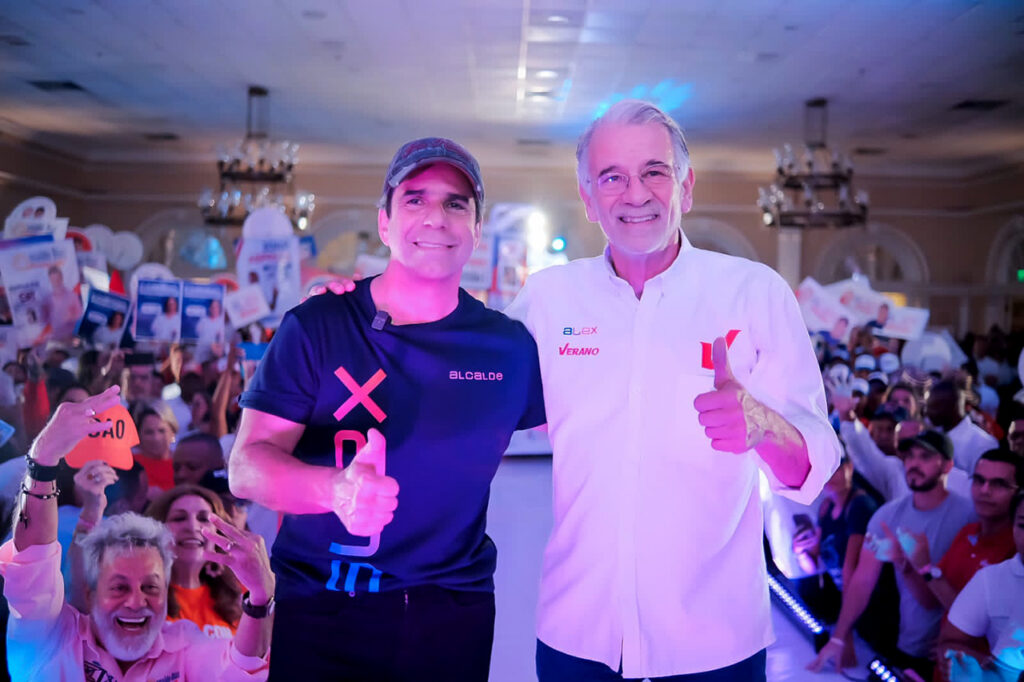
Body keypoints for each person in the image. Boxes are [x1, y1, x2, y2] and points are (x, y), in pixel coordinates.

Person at [505, 100, 840, 681]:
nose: (635, 194)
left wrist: (763, 425)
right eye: (612, 177)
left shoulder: (753, 293)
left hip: (715, 643)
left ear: (686, 186)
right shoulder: (548, 299)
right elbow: (469, 389)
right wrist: (364, 312)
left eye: (654, 172)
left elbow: (816, 462)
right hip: (576, 634)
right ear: (588, 198)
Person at [230, 137, 546, 681]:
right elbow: (246, 466)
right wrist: (335, 490)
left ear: (476, 229)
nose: (436, 217)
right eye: (415, 199)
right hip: (324, 607)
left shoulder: (509, 348)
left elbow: (594, 421)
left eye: (456, 203)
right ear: (384, 223)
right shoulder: (319, 325)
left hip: (451, 613)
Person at [0, 385, 273, 680]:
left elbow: (240, 672)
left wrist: (261, 599)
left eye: (150, 588)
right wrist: (43, 460)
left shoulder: (185, 647)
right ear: (90, 595)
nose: (135, 602)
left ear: (166, 593)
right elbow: (32, 566)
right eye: (119, 587)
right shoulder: (52, 640)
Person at [809, 430, 976, 679]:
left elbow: (979, 590)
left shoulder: (970, 516)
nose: (913, 464)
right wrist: (839, 637)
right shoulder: (888, 516)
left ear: (947, 466)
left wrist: (960, 638)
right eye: (909, 457)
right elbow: (861, 582)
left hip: (958, 654)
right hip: (910, 647)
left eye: (925, 457)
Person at [889, 448, 1020, 612]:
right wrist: (907, 567)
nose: (985, 490)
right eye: (979, 480)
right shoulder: (968, 532)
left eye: (999, 484)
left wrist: (926, 566)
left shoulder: (1017, 549)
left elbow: (974, 619)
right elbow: (932, 601)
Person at [147, 484, 258, 639]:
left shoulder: (243, 595)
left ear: (218, 535)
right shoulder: (139, 595)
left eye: (204, 519)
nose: (193, 527)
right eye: (179, 518)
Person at [940, 490, 1024, 680]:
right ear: (1012, 527)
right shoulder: (992, 579)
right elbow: (950, 644)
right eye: (1023, 525)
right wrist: (985, 673)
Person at [926, 379, 998, 476]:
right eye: (928, 406)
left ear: (954, 406)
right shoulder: (931, 435)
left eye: (934, 406)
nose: (928, 412)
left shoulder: (984, 444)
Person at [134, 402, 179, 494]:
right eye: (149, 432)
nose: (156, 438)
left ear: (172, 433)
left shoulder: (184, 463)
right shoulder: (130, 464)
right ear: (138, 435)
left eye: (162, 431)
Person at [43, 264, 83, 341]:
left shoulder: (72, 296)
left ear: (61, 277)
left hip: (71, 337)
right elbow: (44, 321)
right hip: (55, 338)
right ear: (50, 280)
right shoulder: (47, 299)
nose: (56, 282)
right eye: (53, 280)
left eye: (57, 279)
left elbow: (80, 316)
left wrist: (71, 317)